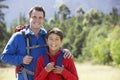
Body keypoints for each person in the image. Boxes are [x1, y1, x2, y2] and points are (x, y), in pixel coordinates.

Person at [0, 5, 72, 80]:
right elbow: (4, 57)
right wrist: (21, 59)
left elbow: (54, 49)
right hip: (25, 77)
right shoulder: (18, 36)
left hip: (44, 77)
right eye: (34, 17)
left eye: (40, 18)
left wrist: (64, 51)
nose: (37, 20)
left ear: (43, 19)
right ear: (29, 17)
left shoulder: (47, 36)